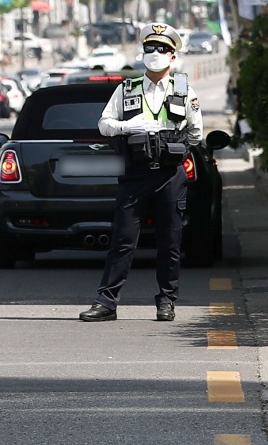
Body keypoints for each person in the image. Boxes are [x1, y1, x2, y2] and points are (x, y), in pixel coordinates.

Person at [79, 22, 203, 323]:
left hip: (170, 176)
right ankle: (106, 303)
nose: (155, 53)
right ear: (142, 52)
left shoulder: (183, 89)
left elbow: (196, 133)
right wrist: (127, 126)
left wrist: (173, 145)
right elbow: (104, 124)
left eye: (162, 49)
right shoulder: (127, 89)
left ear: (173, 56)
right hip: (135, 175)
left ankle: (166, 301)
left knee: (169, 242)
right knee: (123, 240)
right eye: (150, 48)